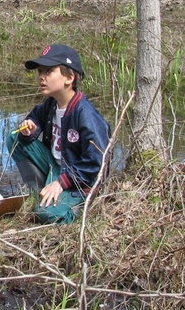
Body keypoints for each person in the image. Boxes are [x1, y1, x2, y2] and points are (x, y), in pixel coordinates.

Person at [6, 44, 111, 224]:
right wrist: (29, 130)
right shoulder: (51, 104)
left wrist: (62, 182)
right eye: (40, 72)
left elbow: (96, 163)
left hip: (78, 181)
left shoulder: (85, 115)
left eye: (48, 71)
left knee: (46, 215)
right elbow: (35, 119)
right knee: (14, 139)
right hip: (56, 168)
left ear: (69, 78)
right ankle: (42, 192)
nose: (41, 77)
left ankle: (74, 208)